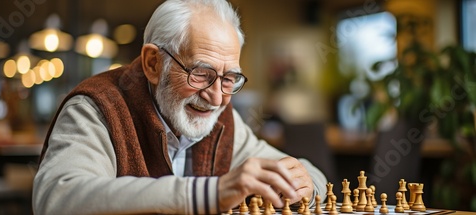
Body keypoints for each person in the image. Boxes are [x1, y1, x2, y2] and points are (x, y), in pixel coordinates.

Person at [32, 0, 327, 214]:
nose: (216, 97)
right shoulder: (96, 108)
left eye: (229, 78)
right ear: (152, 63)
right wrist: (208, 195)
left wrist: (306, 184)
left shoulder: (222, 120)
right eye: (200, 73)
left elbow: (309, 172)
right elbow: (58, 199)